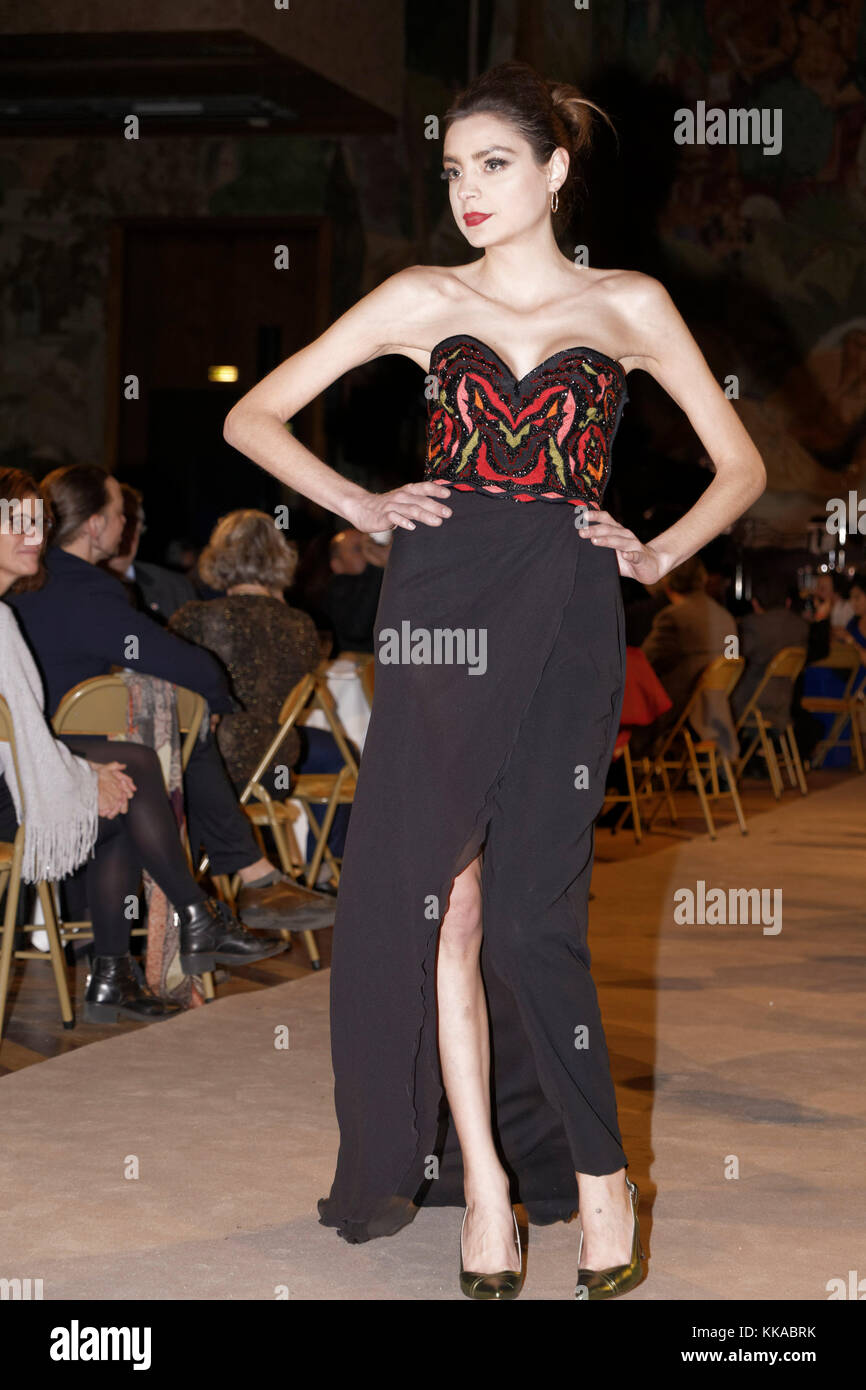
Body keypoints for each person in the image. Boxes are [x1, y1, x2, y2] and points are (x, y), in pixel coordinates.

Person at [220, 60, 766, 1299]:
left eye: (494, 165)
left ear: (555, 171)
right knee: (445, 909)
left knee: (528, 914)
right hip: (436, 608)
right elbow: (254, 416)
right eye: (454, 168)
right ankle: (486, 1194)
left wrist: (655, 551)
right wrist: (358, 501)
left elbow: (737, 466)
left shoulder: (628, 304)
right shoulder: (420, 296)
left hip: (568, 607)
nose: (466, 189)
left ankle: (598, 1175)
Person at [0, 469, 287, 1023]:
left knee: (128, 769)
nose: (33, 533)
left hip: (10, 782)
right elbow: (23, 745)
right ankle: (178, 926)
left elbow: (22, 739)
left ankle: (122, 968)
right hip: (7, 804)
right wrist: (86, 775)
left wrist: (87, 769)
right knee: (130, 784)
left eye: (38, 521)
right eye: (16, 521)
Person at [169, 509, 355, 874]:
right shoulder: (301, 625)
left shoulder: (192, 618)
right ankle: (326, 868)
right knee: (344, 755)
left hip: (206, 770)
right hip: (274, 771)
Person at [638, 554, 741, 761]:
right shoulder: (725, 617)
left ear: (667, 581)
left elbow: (644, 662)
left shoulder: (674, 616)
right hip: (718, 708)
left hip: (682, 710)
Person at [104, 483, 196, 622]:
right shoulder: (77, 587)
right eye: (117, 521)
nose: (123, 533)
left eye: (132, 522)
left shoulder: (176, 589)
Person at [731, 569, 810, 732]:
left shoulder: (753, 625)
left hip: (752, 700)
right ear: (786, 601)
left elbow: (731, 657)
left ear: (755, 602)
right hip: (783, 702)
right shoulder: (800, 626)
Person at [325, 529, 390, 654]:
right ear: (337, 565)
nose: (368, 553)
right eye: (358, 549)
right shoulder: (338, 588)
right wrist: (376, 566)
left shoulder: (384, 576)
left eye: (371, 546)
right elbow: (357, 630)